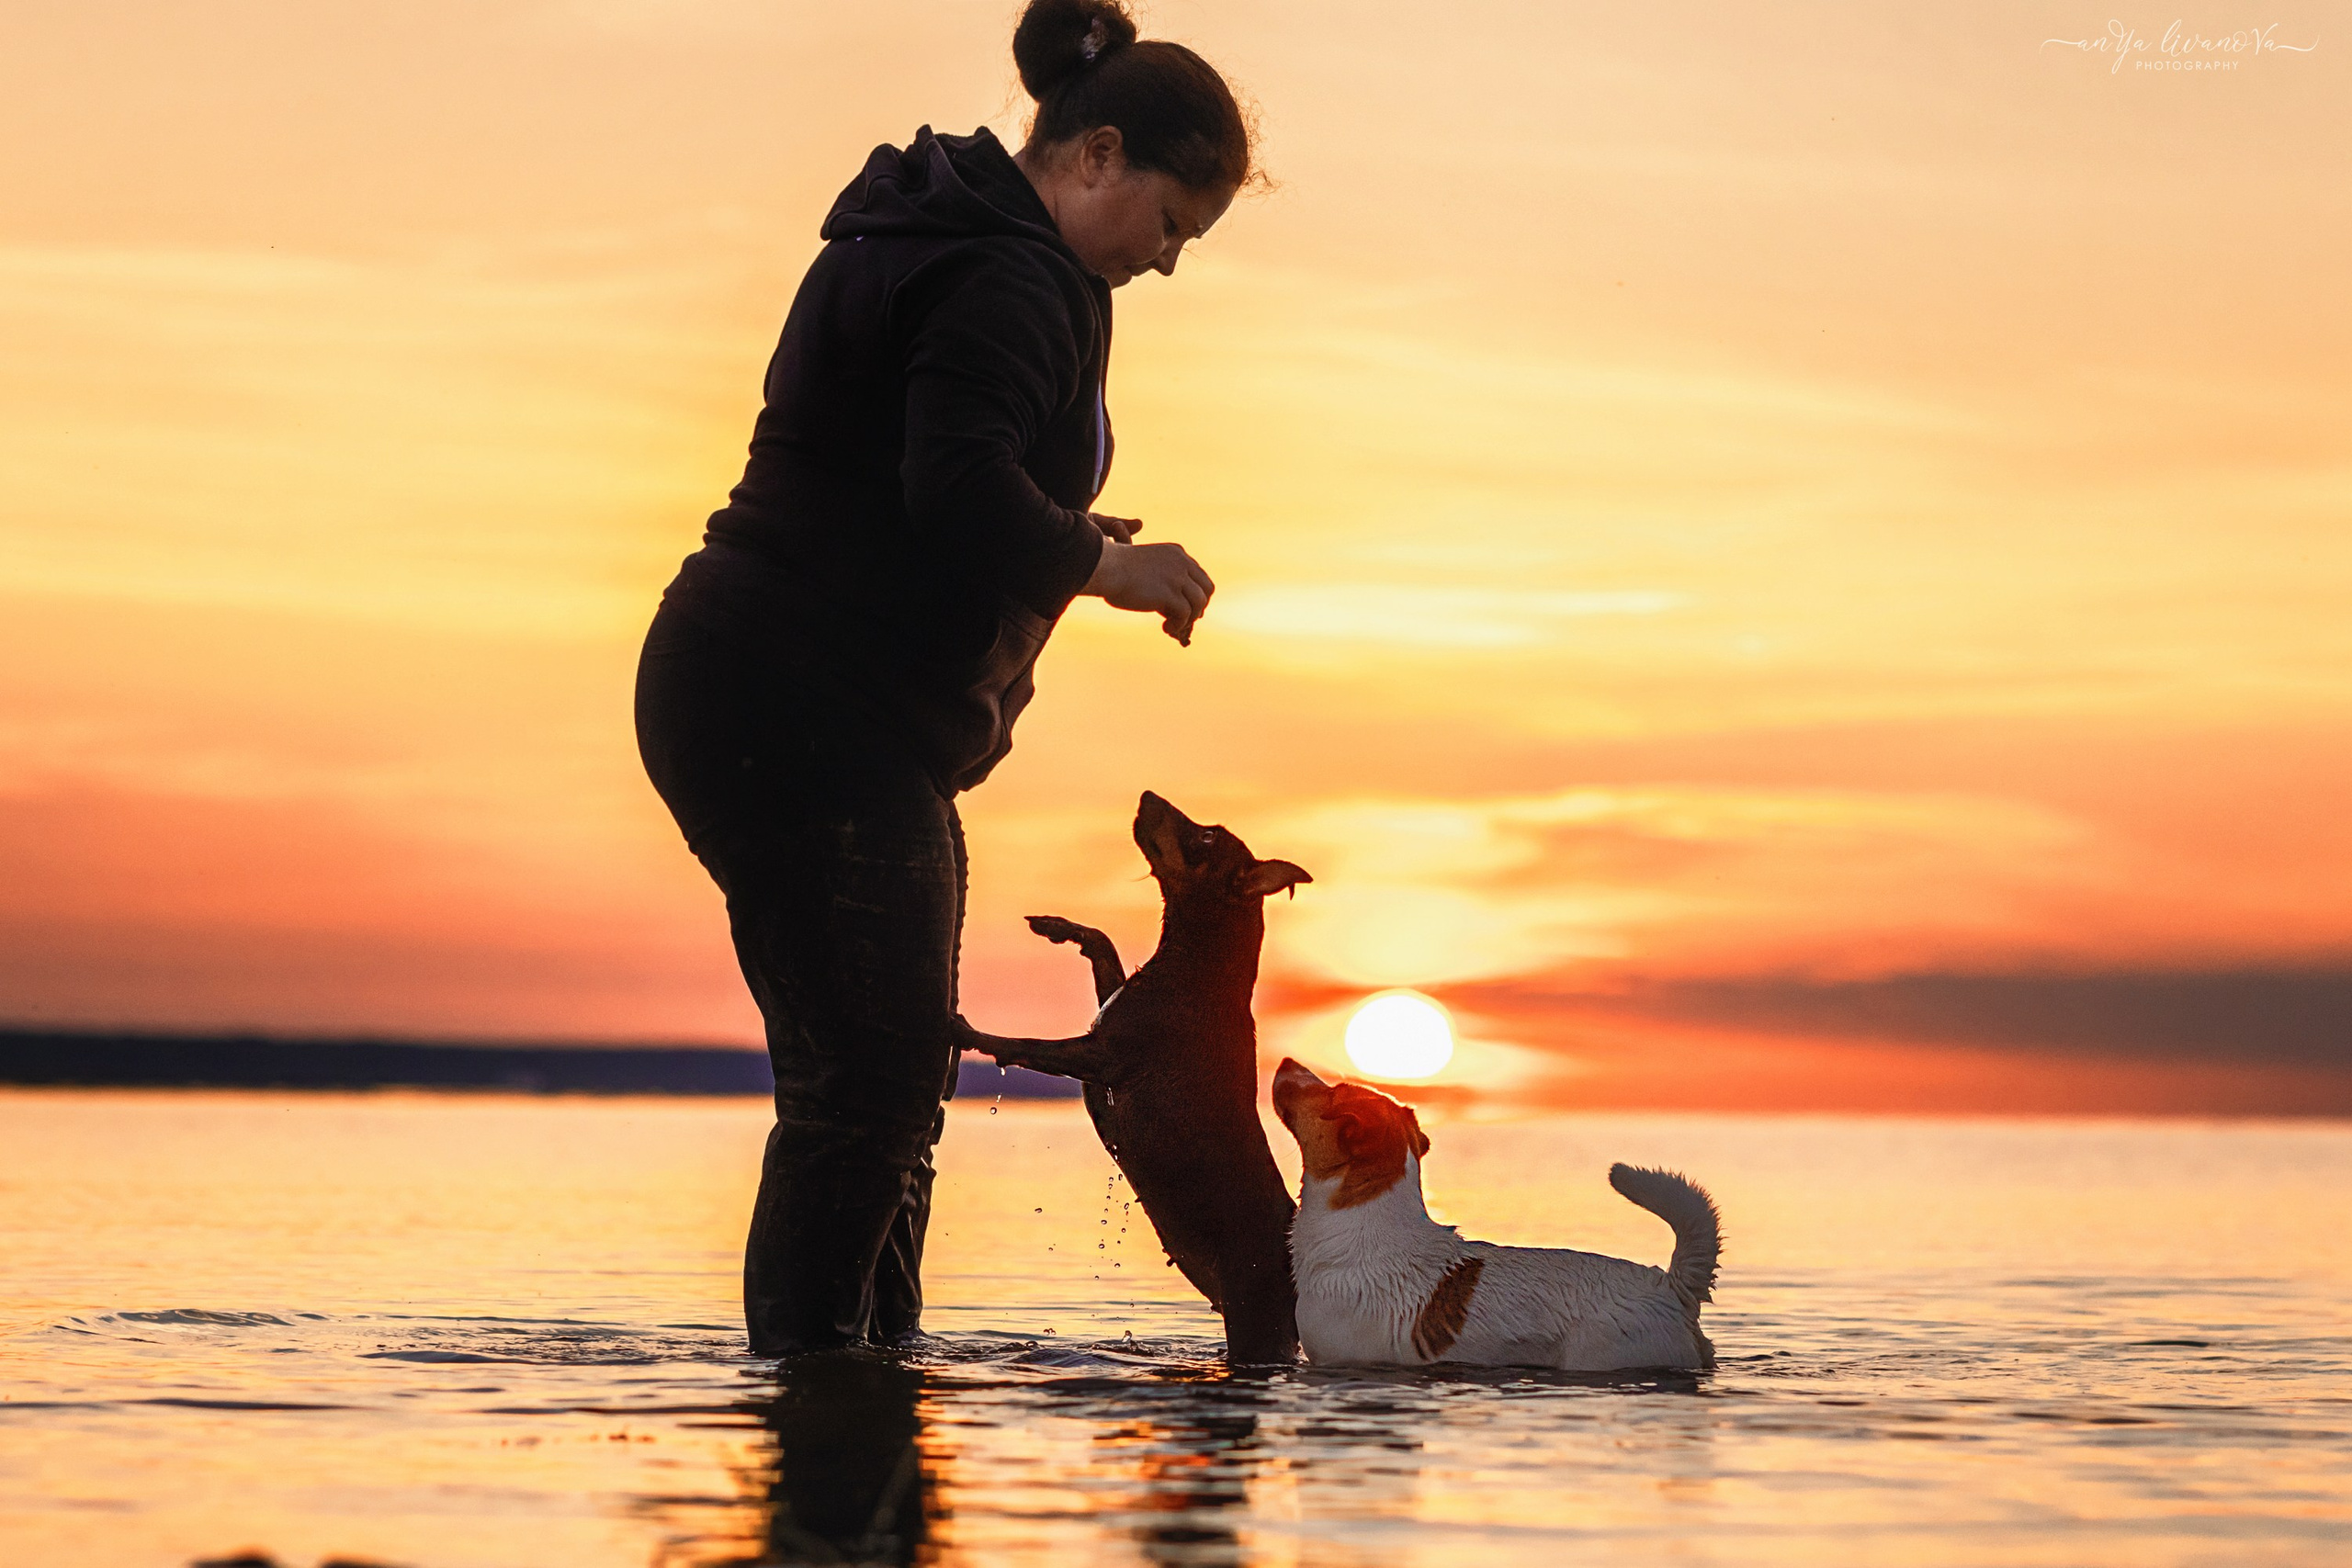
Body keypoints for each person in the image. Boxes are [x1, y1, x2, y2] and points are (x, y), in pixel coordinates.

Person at [633, 0, 1258, 1355]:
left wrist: (1066, 536)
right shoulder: (1006, 270)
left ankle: (868, 1409)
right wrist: (1102, 567)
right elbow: (955, 485)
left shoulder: (973, 241)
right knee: (869, 1085)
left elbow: (937, 474)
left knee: (876, 1076)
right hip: (798, 705)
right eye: (1170, 227)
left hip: (785, 699)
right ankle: (822, 1430)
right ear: (1095, 156)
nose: (1164, 265)